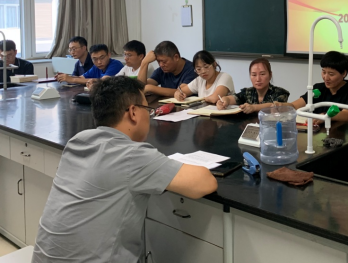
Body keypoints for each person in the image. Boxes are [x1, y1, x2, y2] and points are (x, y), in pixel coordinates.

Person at [32, 76, 217, 263]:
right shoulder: (132, 155)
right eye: (147, 110)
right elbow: (204, 183)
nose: (149, 116)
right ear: (133, 112)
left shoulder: (78, 141)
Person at [285, 51, 348, 123]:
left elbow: (347, 115)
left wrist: (325, 116)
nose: (326, 77)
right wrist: (280, 106)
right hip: (317, 131)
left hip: (341, 131)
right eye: (324, 72)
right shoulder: (318, 88)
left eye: (331, 74)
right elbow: (294, 106)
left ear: (344, 73)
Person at [216, 57, 289, 113]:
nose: (258, 79)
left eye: (262, 74)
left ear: (270, 75)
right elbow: (231, 98)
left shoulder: (280, 93)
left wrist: (253, 107)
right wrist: (224, 101)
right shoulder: (248, 92)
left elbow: (273, 106)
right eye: (254, 75)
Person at [57, 44, 124, 86]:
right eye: (95, 59)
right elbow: (82, 78)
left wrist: (72, 79)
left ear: (109, 55)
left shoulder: (115, 64)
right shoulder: (96, 67)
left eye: (102, 58)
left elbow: (104, 81)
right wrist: (66, 77)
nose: (99, 62)